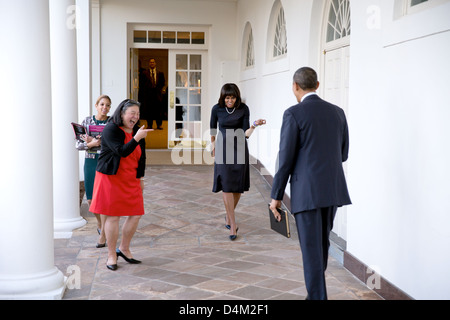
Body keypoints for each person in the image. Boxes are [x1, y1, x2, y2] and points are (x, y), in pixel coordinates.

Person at [269, 67, 351, 300]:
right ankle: (315, 294)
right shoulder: (338, 112)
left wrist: (275, 197)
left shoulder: (293, 114)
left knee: (312, 250)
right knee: (321, 246)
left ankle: (316, 297)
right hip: (332, 191)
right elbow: (343, 154)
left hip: (307, 193)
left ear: (295, 86)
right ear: (317, 85)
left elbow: (285, 160)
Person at [90, 99, 153, 271]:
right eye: (132, 113)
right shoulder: (111, 129)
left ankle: (124, 248)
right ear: (122, 113)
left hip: (130, 177)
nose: (135, 117)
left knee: (136, 213)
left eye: (137, 114)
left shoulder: (137, 130)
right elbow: (121, 151)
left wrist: (140, 178)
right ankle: (111, 254)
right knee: (113, 216)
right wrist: (136, 138)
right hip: (111, 177)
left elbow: (142, 158)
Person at [210, 83, 266, 240]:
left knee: (237, 187)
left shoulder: (244, 109)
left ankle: (228, 216)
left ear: (237, 97)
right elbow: (213, 130)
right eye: (227, 97)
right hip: (222, 147)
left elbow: (245, 133)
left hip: (239, 147)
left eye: (233, 97)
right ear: (223, 98)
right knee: (226, 185)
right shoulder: (216, 109)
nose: (230, 100)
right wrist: (213, 145)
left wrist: (254, 125)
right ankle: (233, 225)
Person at [76, 95, 111, 248]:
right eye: (102, 104)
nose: (105, 107)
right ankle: (99, 222)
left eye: (108, 105)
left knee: (103, 199)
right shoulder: (87, 121)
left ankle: (103, 233)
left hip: (106, 163)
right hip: (90, 162)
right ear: (96, 105)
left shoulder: (112, 123)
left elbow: (114, 144)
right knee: (91, 200)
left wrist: (101, 143)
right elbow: (78, 145)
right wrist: (92, 144)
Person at [138, 58, 166, 130]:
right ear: (149, 64)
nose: (152, 63)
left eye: (153, 62)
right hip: (148, 95)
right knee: (149, 110)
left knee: (159, 111)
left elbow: (163, 83)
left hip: (158, 95)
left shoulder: (160, 73)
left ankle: (159, 125)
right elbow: (142, 83)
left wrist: (160, 90)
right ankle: (149, 124)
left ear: (155, 63)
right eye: (150, 62)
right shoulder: (144, 73)